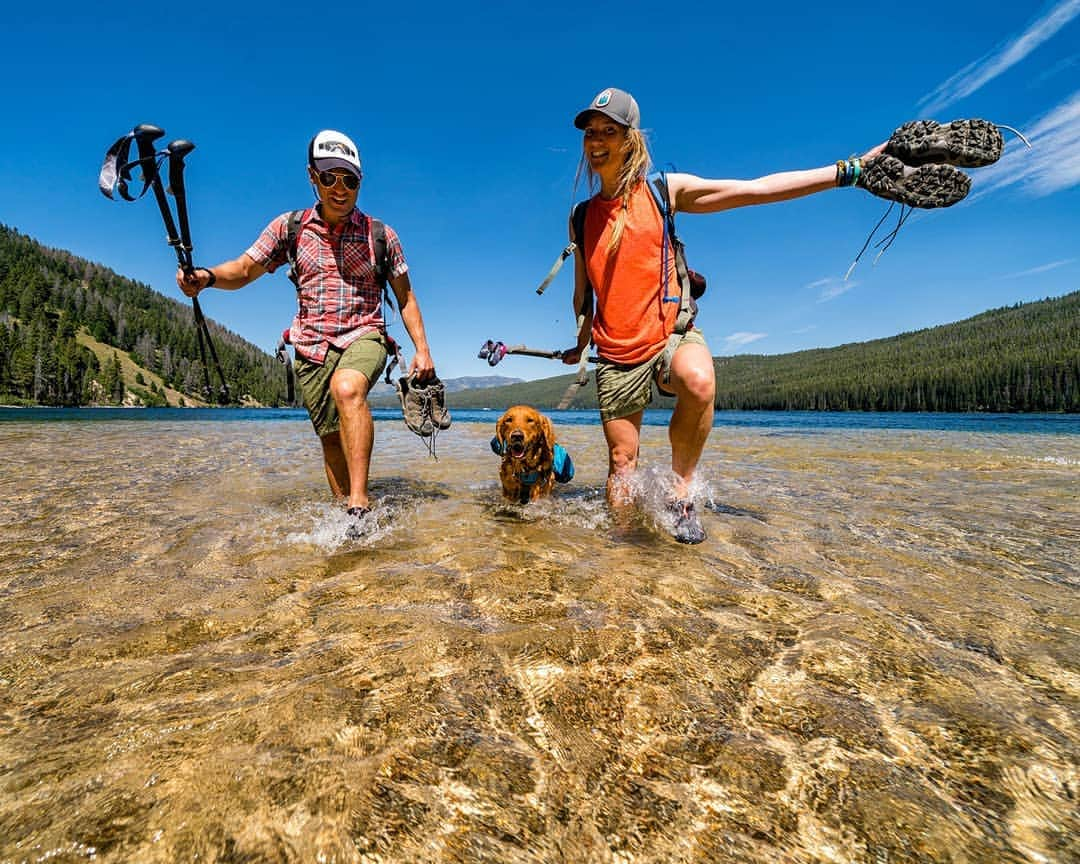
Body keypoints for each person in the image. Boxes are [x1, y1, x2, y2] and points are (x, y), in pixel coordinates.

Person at [561, 88, 884, 544]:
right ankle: (624, 555)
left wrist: (846, 172)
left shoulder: (662, 191)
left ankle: (680, 492)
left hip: (669, 333)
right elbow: (582, 294)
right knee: (621, 465)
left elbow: (754, 190)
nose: (596, 141)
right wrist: (579, 339)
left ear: (630, 139)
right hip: (616, 352)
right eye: (591, 132)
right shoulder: (580, 216)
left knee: (699, 380)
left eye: (608, 131)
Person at [177, 130, 437, 527]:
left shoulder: (382, 236)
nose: (340, 188)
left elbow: (406, 297)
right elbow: (245, 269)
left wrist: (422, 349)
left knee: (347, 389)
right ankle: (345, 525)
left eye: (349, 180)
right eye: (330, 176)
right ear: (312, 176)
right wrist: (207, 276)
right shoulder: (290, 228)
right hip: (310, 345)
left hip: (364, 333)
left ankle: (359, 505)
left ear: (359, 184)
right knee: (331, 437)